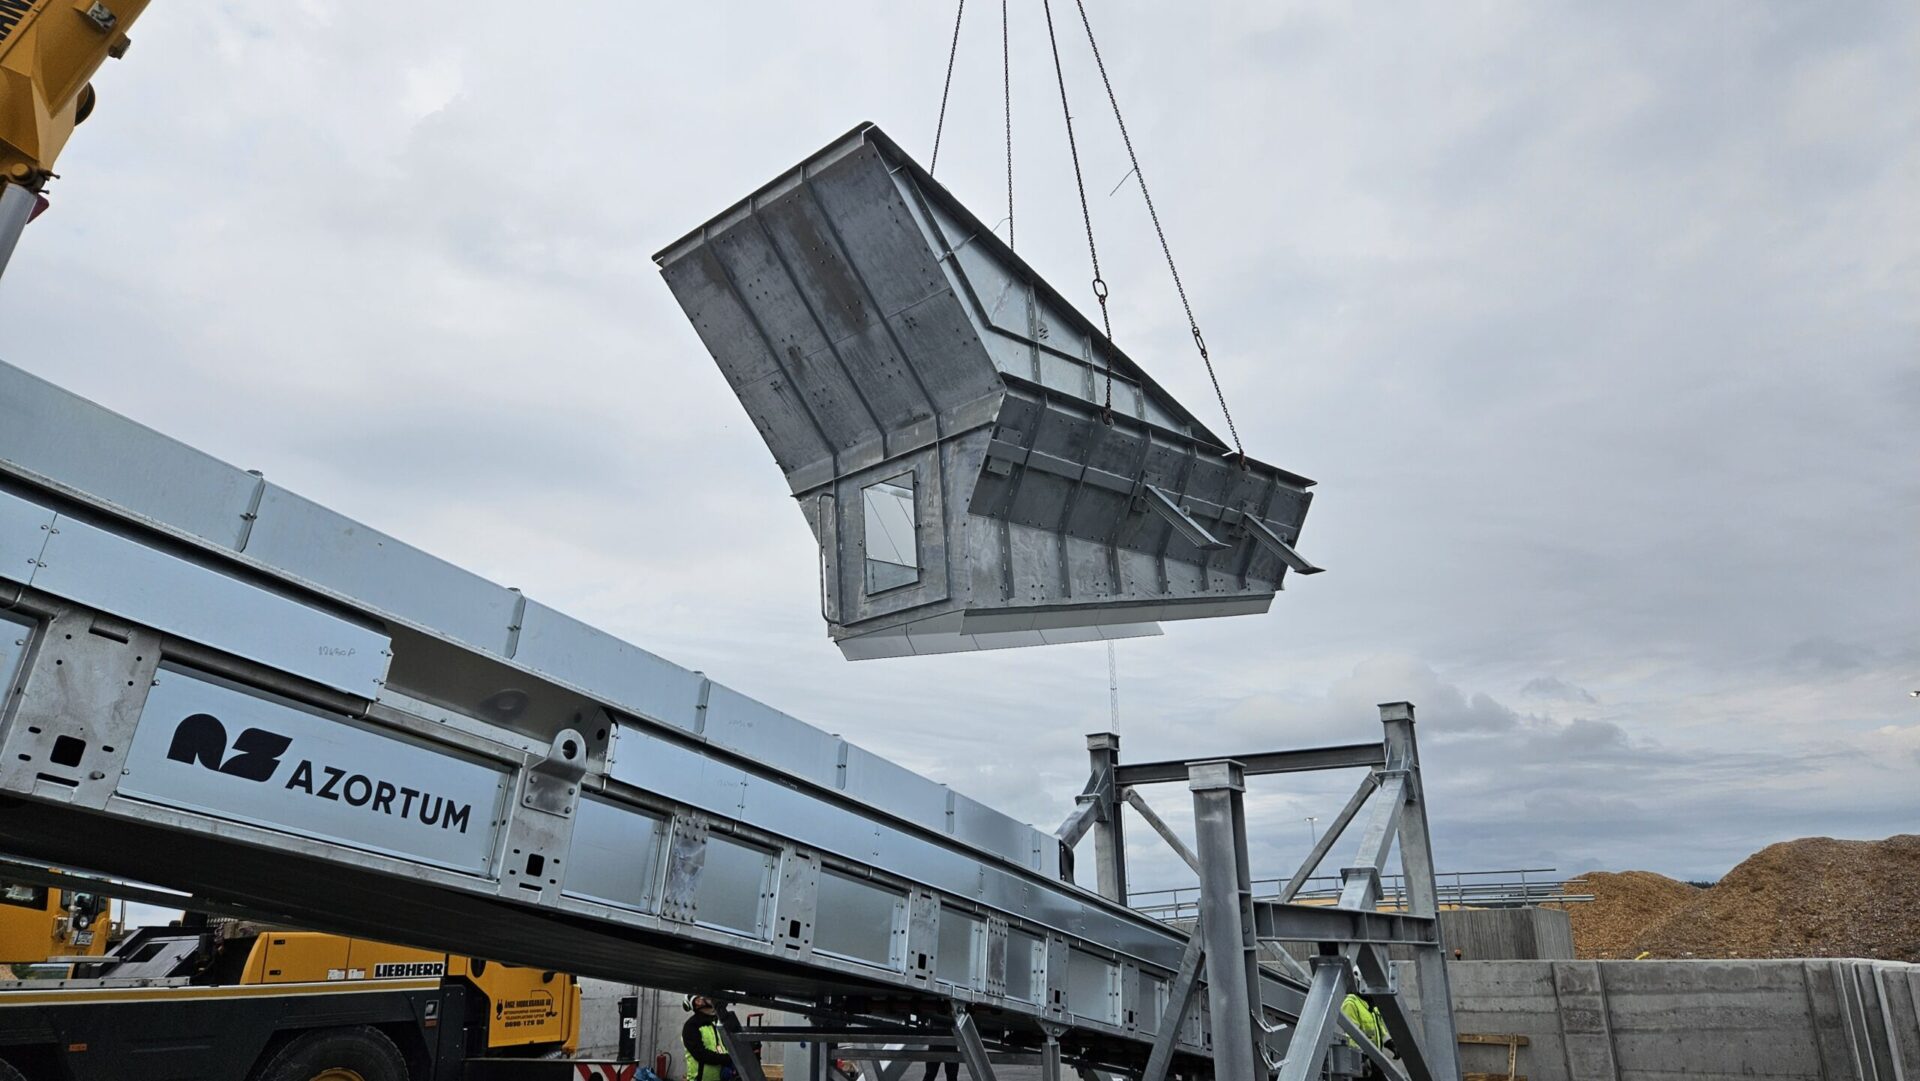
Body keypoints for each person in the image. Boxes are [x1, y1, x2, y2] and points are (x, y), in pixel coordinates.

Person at [682, 995, 733, 1081]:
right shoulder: (691, 1025)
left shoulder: (715, 1022)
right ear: (698, 1001)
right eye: (707, 996)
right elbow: (701, 1054)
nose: (711, 997)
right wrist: (728, 1059)